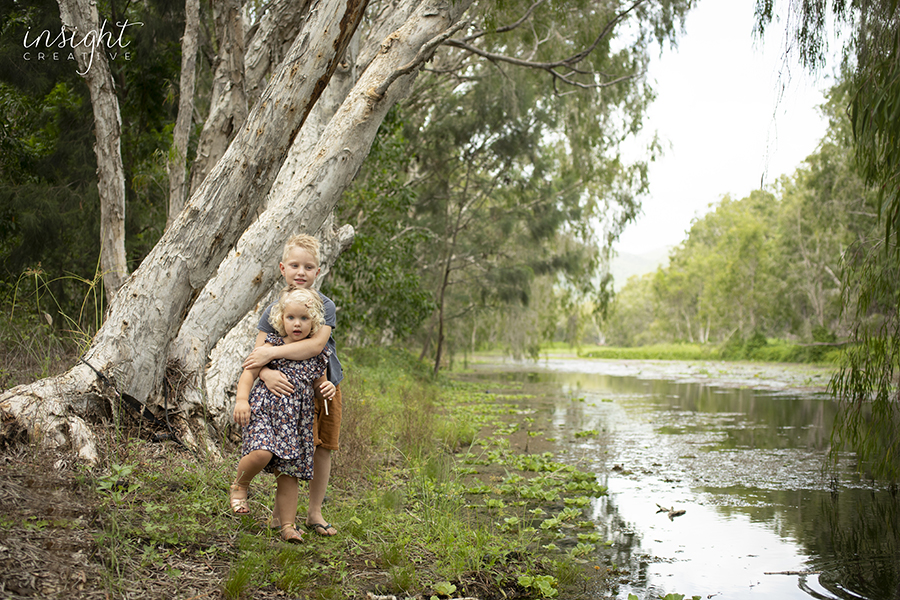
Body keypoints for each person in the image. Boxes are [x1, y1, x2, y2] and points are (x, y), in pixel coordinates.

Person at [242, 234, 344, 537]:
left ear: (318, 271)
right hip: (286, 391)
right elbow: (255, 356)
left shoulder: (325, 306)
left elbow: (314, 347)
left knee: (322, 446)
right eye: (295, 265)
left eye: (309, 267)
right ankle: (281, 516)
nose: (301, 272)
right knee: (293, 449)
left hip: (324, 383)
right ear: (282, 268)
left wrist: (271, 355)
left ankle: (315, 512)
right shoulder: (273, 310)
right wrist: (265, 374)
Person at [229, 287, 335, 543]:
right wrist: (242, 399)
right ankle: (240, 485)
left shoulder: (317, 355)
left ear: (315, 322)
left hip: (296, 421)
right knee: (262, 452)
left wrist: (327, 389)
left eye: (304, 318)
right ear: (281, 320)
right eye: (291, 318)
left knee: (290, 473)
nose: (297, 324)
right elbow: (249, 372)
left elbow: (318, 388)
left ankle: (287, 525)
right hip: (265, 411)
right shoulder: (271, 345)